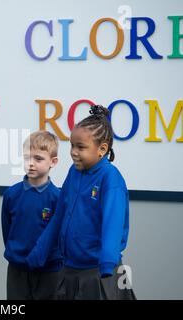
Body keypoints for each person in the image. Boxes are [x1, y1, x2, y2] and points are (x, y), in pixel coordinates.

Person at [26, 105, 136, 300]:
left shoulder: (110, 178)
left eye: (81, 147)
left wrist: (107, 262)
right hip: (69, 269)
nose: (74, 152)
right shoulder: (74, 172)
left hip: (101, 272)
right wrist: (40, 252)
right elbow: (60, 214)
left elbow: (113, 222)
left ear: (102, 149)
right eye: (72, 145)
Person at [1, 130, 63, 300]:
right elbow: (7, 231)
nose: (31, 164)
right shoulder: (11, 194)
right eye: (27, 158)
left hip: (49, 270)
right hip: (17, 269)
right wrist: (16, 254)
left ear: (53, 162)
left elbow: (59, 237)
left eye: (38, 158)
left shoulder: (58, 198)